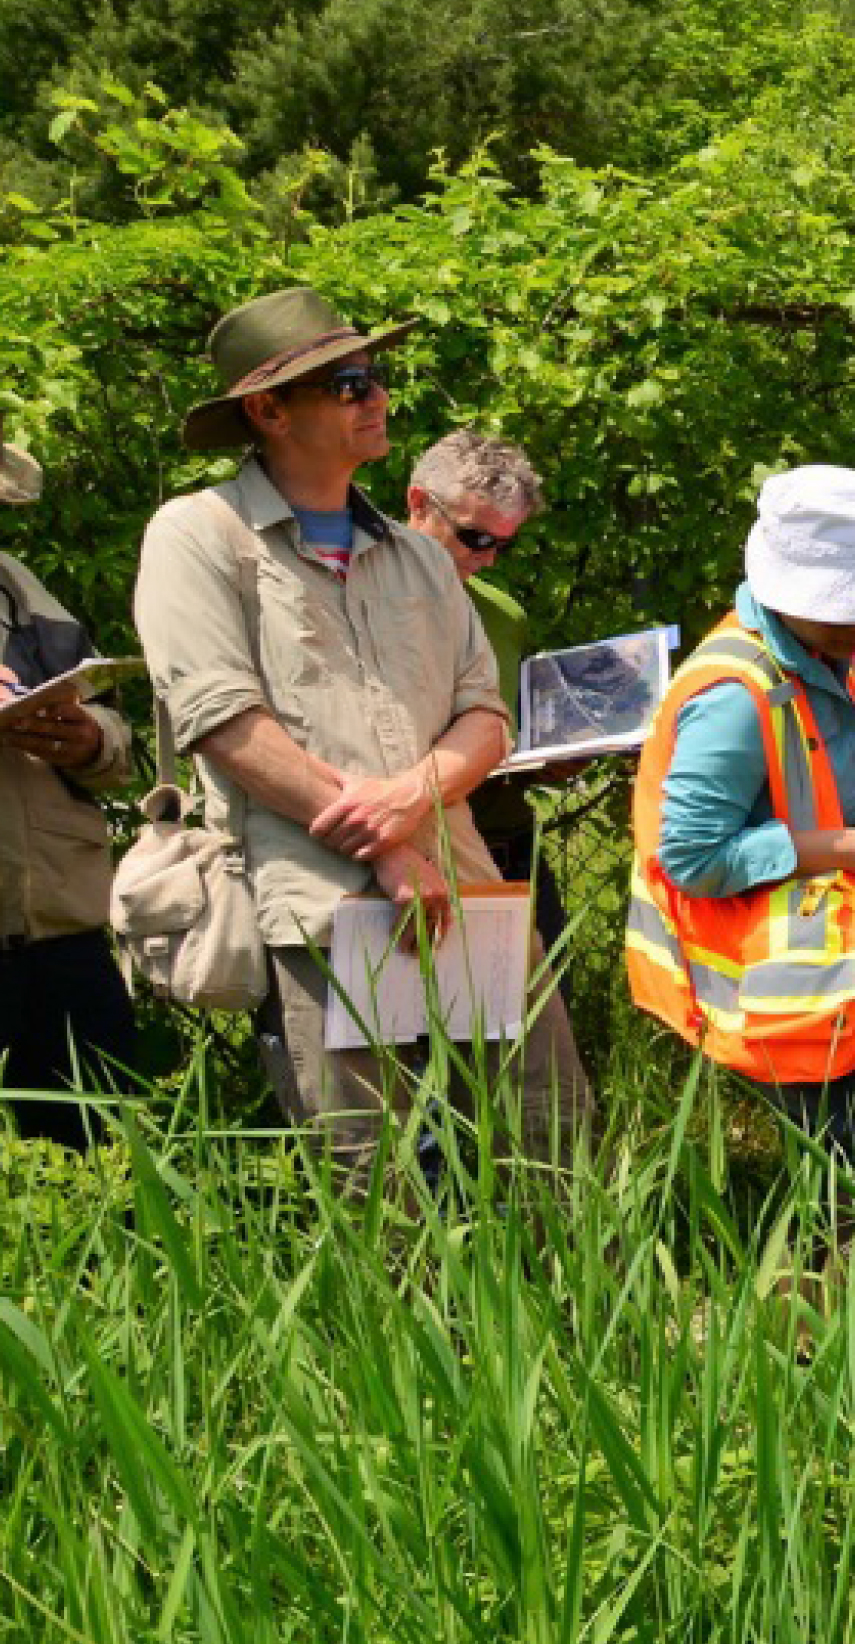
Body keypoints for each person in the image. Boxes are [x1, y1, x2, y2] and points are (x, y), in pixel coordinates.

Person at [131, 287, 592, 1179]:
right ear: (268, 411)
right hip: (318, 911)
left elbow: (484, 716)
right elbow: (224, 723)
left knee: (547, 1150)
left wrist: (414, 798)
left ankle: (575, 1323)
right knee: (378, 1186)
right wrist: (387, 849)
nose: (375, 397)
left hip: (463, 897)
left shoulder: (419, 554)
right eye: (345, 384)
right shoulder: (198, 536)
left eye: (374, 375)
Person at [628, 467, 855, 1169]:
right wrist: (846, 848)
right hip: (765, 980)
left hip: (818, 963)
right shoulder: (734, 694)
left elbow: (803, 773)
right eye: (851, 602)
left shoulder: (823, 650)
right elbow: (693, 858)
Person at [0, 439, 142, 1150]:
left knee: (104, 1163)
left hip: (62, 931)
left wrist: (90, 740)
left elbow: (114, 733)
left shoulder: (16, 585)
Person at [403, 431, 565, 949]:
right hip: (409, 850)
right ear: (419, 505)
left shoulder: (502, 614)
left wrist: (553, 760)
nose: (488, 559)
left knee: (536, 1011)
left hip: (506, 837)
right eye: (475, 538)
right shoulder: (358, 599)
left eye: (504, 544)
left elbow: (509, 731)